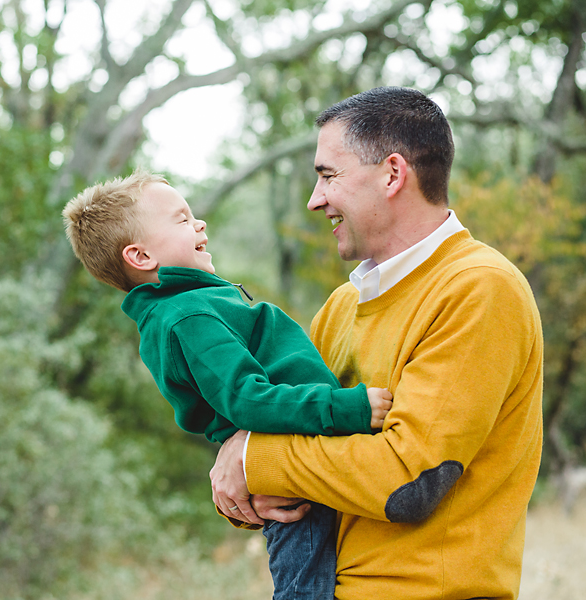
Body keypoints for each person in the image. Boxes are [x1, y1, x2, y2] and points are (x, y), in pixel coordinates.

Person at [210, 86, 544, 600]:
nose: (314, 199)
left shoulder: (479, 288)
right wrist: (242, 479)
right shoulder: (343, 306)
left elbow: (408, 481)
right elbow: (278, 469)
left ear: (392, 174)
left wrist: (254, 457)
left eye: (328, 175)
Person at [62, 171, 394, 599]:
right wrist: (349, 408)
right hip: (292, 473)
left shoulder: (189, 306)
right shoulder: (187, 316)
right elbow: (246, 399)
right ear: (140, 255)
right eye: (181, 220)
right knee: (304, 588)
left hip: (293, 458)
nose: (199, 224)